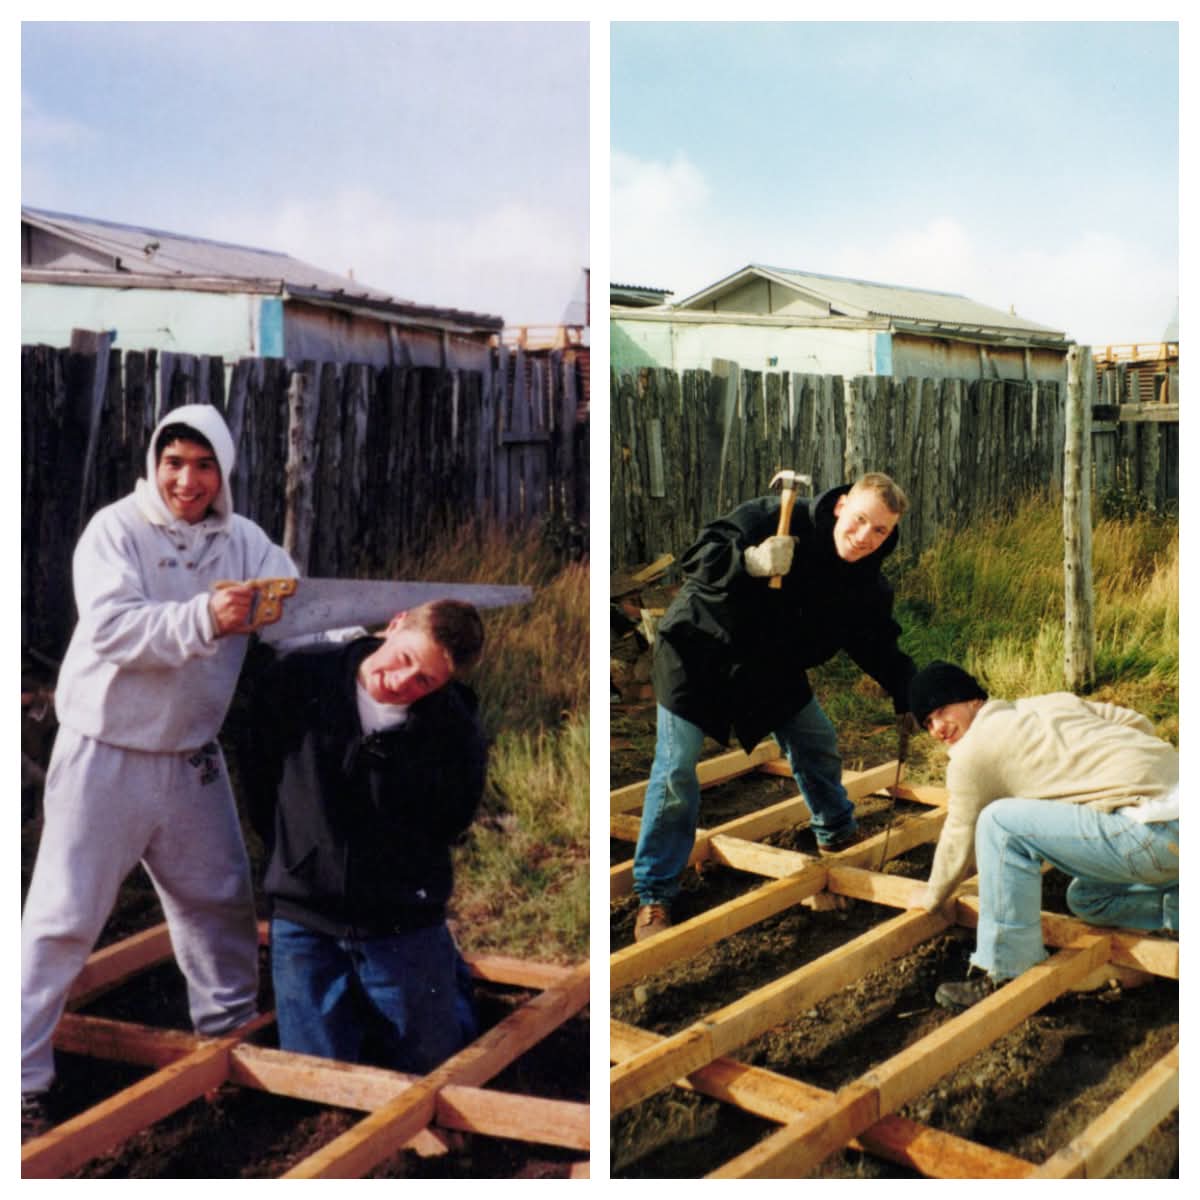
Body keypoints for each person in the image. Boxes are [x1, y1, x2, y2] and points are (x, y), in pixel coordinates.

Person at [22, 404, 296, 1139]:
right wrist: (207, 618)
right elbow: (112, 629)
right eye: (174, 462)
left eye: (204, 466)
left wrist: (371, 632)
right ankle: (20, 1080)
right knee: (63, 918)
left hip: (190, 755)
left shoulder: (246, 541)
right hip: (105, 753)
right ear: (154, 463)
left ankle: (228, 1044)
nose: (187, 480)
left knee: (219, 902)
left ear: (225, 471)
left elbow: (294, 607)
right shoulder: (117, 530)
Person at [633, 472, 918, 941]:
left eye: (880, 530)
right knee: (676, 770)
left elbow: (877, 645)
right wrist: (748, 561)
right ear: (841, 505)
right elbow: (698, 557)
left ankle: (837, 831)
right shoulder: (773, 516)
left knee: (816, 741)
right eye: (860, 519)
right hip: (700, 652)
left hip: (767, 668)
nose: (865, 536)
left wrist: (911, 693)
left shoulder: (867, 585)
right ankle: (655, 893)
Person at [239, 600, 487, 1072]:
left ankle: (446, 983)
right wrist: (296, 854)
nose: (401, 683)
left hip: (398, 920)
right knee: (312, 1076)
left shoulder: (452, 729)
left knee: (431, 1067)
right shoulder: (300, 682)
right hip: (305, 914)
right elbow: (258, 776)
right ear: (394, 626)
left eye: (425, 682)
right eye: (405, 659)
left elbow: (449, 819)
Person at [909, 661, 1179, 1009]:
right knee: (1088, 900)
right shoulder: (1052, 702)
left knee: (998, 822)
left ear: (973, 699)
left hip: (1152, 836)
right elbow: (1135, 722)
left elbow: (958, 834)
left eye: (941, 711)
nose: (937, 728)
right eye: (928, 722)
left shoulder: (970, 756)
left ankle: (1005, 970)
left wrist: (932, 896)